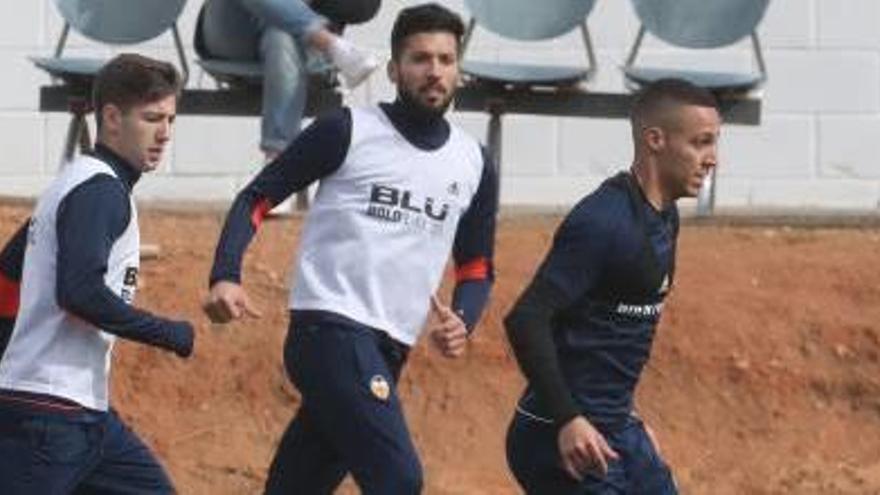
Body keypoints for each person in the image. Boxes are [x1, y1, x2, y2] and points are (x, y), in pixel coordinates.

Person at [202, 3, 498, 493]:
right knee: (398, 479)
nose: (434, 71)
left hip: (391, 347)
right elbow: (256, 198)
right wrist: (225, 273)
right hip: (329, 330)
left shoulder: (473, 161)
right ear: (395, 69)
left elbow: (477, 266)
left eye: (446, 60)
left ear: (459, 71)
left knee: (297, 484)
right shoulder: (348, 130)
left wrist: (463, 320)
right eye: (421, 59)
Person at [504, 78, 721, 494]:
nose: (711, 159)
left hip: (616, 428)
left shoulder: (664, 216)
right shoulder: (603, 221)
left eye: (713, 144)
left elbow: (609, 336)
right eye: (701, 142)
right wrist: (569, 419)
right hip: (557, 435)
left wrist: (628, 419)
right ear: (655, 139)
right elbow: (526, 318)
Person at [0, 54, 195, 493]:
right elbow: (79, 292)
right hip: (47, 418)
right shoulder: (99, 191)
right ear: (110, 117)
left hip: (84, 418)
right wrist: (167, 332)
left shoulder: (80, 182)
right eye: (151, 118)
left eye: (170, 119)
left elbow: (6, 274)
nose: (164, 134)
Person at [196, 0, 382, 161]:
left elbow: (364, 7)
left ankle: (278, 164)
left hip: (290, 39)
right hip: (231, 32)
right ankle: (330, 44)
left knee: (282, 34)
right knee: (286, 28)